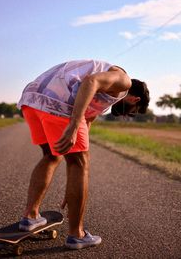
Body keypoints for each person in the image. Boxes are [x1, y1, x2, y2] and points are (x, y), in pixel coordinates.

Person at [17, 59, 150, 249]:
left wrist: (73, 192)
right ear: (135, 99)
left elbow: (88, 121)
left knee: (52, 156)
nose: (127, 115)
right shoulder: (123, 80)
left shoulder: (105, 92)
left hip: (32, 100)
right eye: (133, 112)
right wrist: (73, 124)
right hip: (59, 104)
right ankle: (77, 234)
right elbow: (90, 81)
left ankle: (30, 217)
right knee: (79, 163)